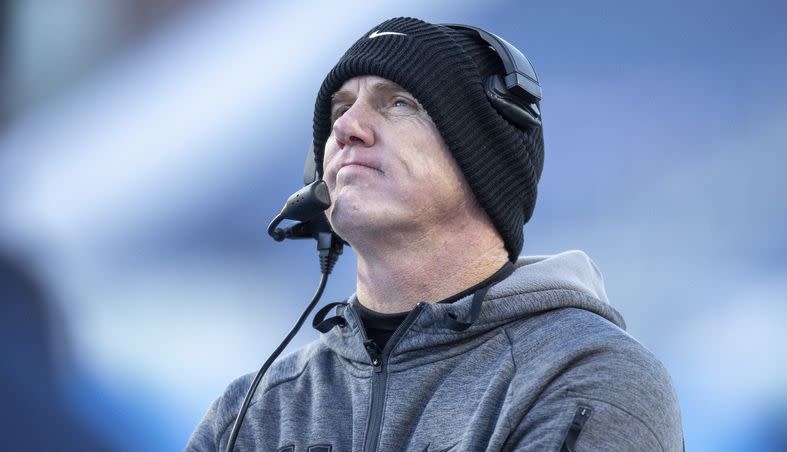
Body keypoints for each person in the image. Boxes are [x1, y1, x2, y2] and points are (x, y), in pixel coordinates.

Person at [187, 17, 683, 451]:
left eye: (398, 102)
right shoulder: (249, 413)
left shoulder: (586, 377)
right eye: (340, 109)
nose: (347, 128)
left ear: (484, 161)